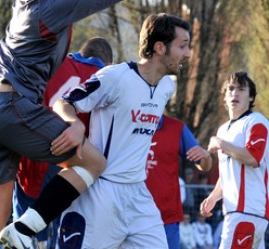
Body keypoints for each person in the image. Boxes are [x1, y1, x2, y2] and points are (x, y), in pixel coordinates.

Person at [0, 1, 122, 249]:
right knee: (93, 162)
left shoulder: (26, 7)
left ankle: (20, 229)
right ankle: (23, 230)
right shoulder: (48, 8)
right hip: (9, 103)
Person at [53, 13, 191, 249]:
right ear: (159, 47)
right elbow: (62, 103)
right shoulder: (115, 77)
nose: (188, 54)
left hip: (139, 195)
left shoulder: (167, 87)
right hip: (101, 192)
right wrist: (74, 123)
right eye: (183, 46)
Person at [13, 37, 114, 249]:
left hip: (31, 152)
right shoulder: (108, 77)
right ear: (106, 61)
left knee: (23, 230)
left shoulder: (54, 61)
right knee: (65, 230)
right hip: (73, 160)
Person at [200, 72, 269, 249]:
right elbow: (228, 173)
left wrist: (221, 144)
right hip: (236, 212)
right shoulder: (223, 129)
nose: (234, 93)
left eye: (241, 89)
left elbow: (253, 158)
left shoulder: (256, 121)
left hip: (248, 210)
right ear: (224, 95)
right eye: (230, 89)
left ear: (251, 96)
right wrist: (213, 197)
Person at [145, 114, 212, 249]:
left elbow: (204, 164)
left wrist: (206, 157)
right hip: (129, 214)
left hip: (166, 218)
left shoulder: (176, 128)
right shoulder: (124, 122)